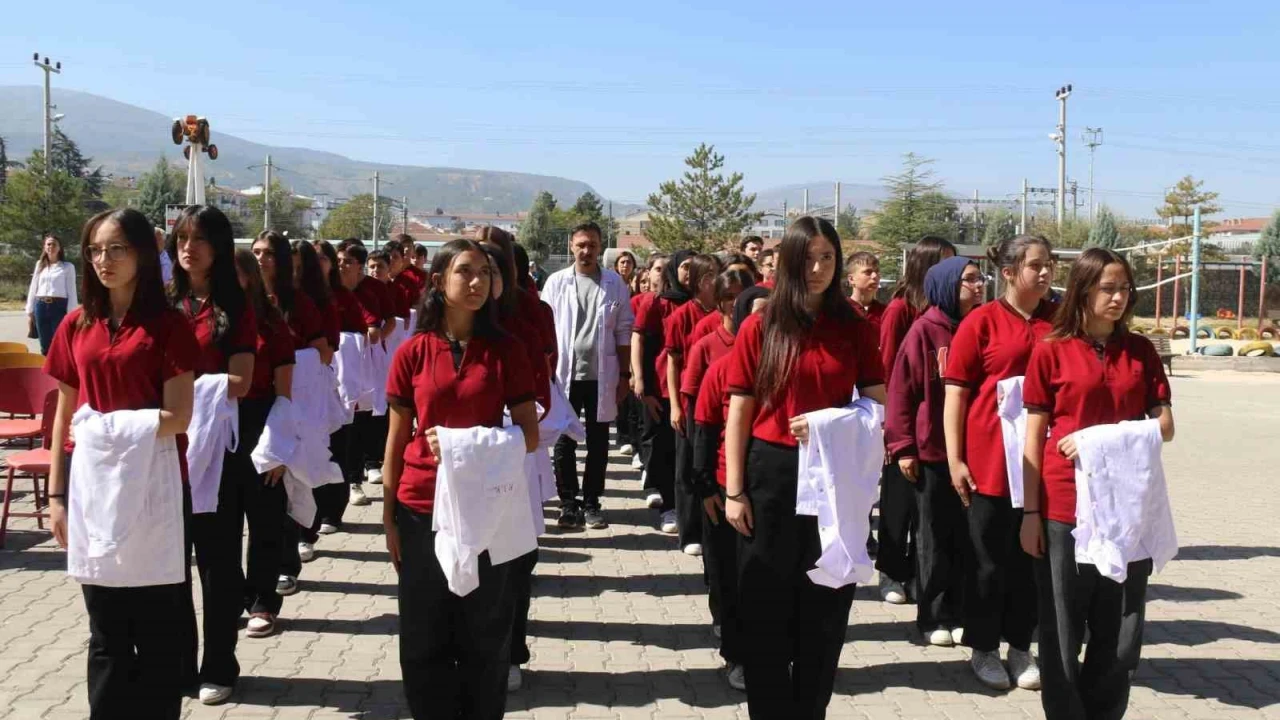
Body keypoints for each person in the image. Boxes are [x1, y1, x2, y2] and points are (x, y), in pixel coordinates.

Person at [723, 217, 885, 718]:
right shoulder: (761, 325)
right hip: (770, 475)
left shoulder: (854, 327)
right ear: (789, 262)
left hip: (834, 476)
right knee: (765, 607)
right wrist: (734, 491)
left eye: (827, 258)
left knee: (826, 605)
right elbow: (739, 410)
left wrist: (828, 424)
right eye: (808, 259)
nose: (818, 269)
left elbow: (877, 405)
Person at [44, 208, 199, 720]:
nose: (103, 260)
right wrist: (57, 496)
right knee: (106, 632)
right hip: (91, 491)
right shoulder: (76, 324)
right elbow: (65, 414)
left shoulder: (169, 325)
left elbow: (179, 417)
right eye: (94, 250)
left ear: (142, 255)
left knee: (156, 635)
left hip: (156, 488)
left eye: (116, 248)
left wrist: (103, 429)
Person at [382, 239, 539, 719]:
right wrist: (388, 518)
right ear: (438, 281)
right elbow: (395, 440)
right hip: (420, 505)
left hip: (484, 506)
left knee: (484, 631)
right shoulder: (413, 352)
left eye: (485, 273)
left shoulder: (507, 350)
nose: (477, 282)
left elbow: (530, 435)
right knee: (423, 634)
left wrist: (463, 445)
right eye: (465, 271)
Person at [1021, 248, 1174, 720]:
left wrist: (1096, 439)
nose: (1118, 297)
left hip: (1127, 506)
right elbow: (1033, 436)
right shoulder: (1051, 349)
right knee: (1063, 624)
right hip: (1066, 505)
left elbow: (1165, 426)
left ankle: (1105, 711)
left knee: (1122, 625)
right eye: (1108, 288)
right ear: (1083, 291)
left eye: (1125, 288)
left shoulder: (1140, 351)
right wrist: (1030, 513)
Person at [943, 234, 1055, 690]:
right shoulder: (981, 322)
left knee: (1032, 559)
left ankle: (1021, 646)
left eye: (1049, 264)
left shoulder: (1060, 321)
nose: (1045, 272)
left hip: (1042, 462)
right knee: (987, 561)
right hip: (989, 461)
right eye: (1035, 265)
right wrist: (955, 458)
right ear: (1009, 272)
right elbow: (956, 394)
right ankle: (984, 646)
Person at [169, 206, 261, 706]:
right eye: (182, 238)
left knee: (218, 565)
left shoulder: (235, 307)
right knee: (170, 566)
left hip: (216, 457)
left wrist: (185, 390)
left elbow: (241, 381)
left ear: (219, 247)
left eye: (200, 239)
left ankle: (220, 664)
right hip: (163, 452)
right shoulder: (162, 302)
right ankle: (179, 664)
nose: (189, 247)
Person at [885, 256, 984, 650]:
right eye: (969, 279)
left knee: (967, 538)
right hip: (932, 452)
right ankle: (934, 615)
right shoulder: (924, 330)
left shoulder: (979, 325)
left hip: (974, 451)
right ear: (946, 285)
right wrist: (903, 446)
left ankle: (960, 611)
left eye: (980, 278)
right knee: (934, 537)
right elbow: (901, 391)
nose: (979, 285)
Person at [687, 277, 763, 692]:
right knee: (729, 579)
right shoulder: (721, 368)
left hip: (771, 491)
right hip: (724, 491)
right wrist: (707, 490)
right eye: (758, 315)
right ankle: (736, 655)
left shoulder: (786, 367)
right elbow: (703, 432)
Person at [876, 236, 958, 606]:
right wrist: (891, 428)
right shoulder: (900, 309)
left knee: (927, 514)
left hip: (936, 430)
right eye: (943, 262)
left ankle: (916, 573)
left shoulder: (950, 312)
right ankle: (891, 570)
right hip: (902, 421)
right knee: (898, 505)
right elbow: (889, 370)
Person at [542, 222, 634, 529]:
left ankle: (592, 503)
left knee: (598, 442)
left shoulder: (614, 283)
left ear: (599, 247)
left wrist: (624, 375)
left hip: (601, 376)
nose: (586, 250)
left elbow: (623, 331)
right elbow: (544, 330)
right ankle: (569, 504)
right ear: (571, 246)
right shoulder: (556, 282)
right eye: (581, 244)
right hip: (563, 376)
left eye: (592, 245)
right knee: (564, 441)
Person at [633, 249, 695, 534]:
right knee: (662, 448)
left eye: (694, 267)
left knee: (688, 454)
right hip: (661, 388)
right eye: (684, 267)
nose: (689, 272)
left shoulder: (702, 303)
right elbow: (640, 341)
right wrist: (639, 380)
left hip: (691, 388)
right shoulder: (656, 302)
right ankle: (668, 505)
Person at [666, 253, 724, 552]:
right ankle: (689, 533)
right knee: (687, 465)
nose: (715, 280)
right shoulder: (682, 316)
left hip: (721, 400)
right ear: (699, 281)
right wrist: (676, 405)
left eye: (718, 273)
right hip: (692, 399)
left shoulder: (729, 313)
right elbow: (673, 362)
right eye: (709, 275)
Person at [312, 240, 369, 533]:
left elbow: (360, 334)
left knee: (337, 445)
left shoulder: (342, 297)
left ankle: (332, 512)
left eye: (322, 258)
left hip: (337, 380)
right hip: (303, 384)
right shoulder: (296, 295)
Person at [340, 240, 396, 507]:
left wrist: (373, 345)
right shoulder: (329, 289)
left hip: (366, 362)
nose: (342, 266)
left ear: (359, 266)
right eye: (338, 260)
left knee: (363, 418)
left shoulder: (374, 289)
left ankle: (361, 472)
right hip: (334, 365)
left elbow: (388, 322)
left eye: (348, 262)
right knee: (340, 422)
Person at [26, 233, 78, 355]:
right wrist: (30, 308)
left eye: (54, 244)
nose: (51, 247)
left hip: (59, 307)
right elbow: (33, 287)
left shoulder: (68, 267)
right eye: (48, 244)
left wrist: (71, 313)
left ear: (60, 248)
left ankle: (60, 366)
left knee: (60, 341)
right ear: (44, 247)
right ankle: (46, 365)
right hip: (40, 306)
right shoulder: (39, 264)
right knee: (44, 343)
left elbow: (71, 290)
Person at [846, 251, 885, 329]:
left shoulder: (886, 312)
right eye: (868, 272)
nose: (875, 276)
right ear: (851, 279)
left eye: (877, 272)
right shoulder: (840, 311)